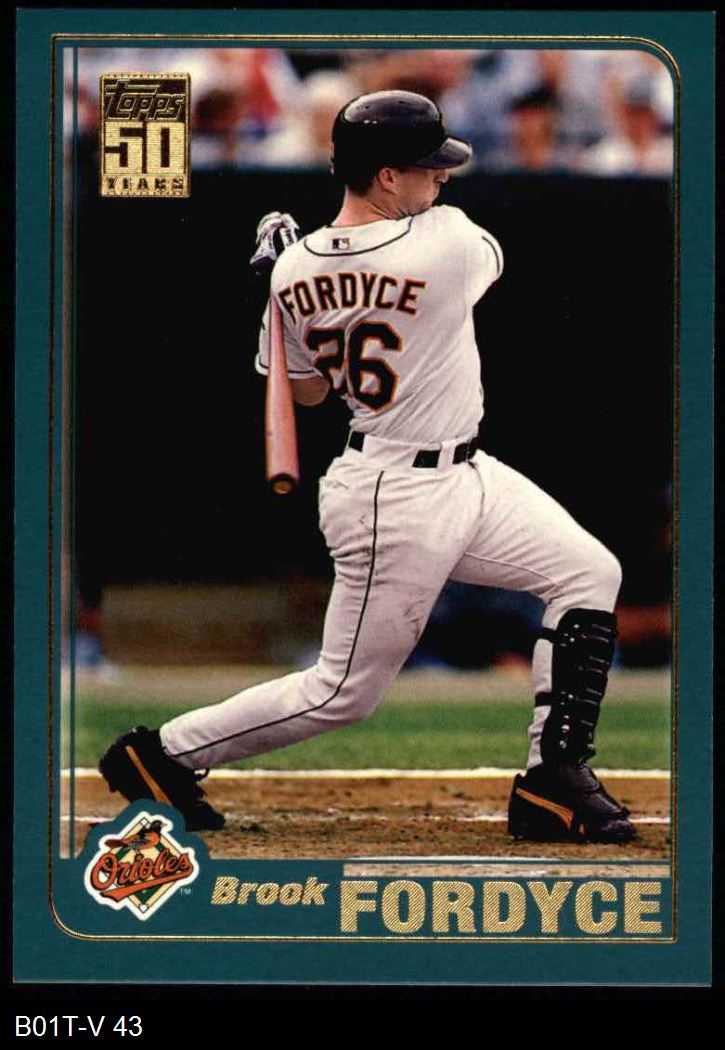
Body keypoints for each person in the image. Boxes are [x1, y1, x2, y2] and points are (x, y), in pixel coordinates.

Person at [99, 90, 634, 844]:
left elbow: (307, 393)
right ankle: (160, 755)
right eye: (427, 166)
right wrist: (302, 277)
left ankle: (553, 779)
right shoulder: (447, 239)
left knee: (587, 572)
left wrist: (288, 287)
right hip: (393, 493)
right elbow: (468, 267)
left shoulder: (294, 270)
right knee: (342, 693)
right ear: (386, 175)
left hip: (466, 474)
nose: (441, 177)